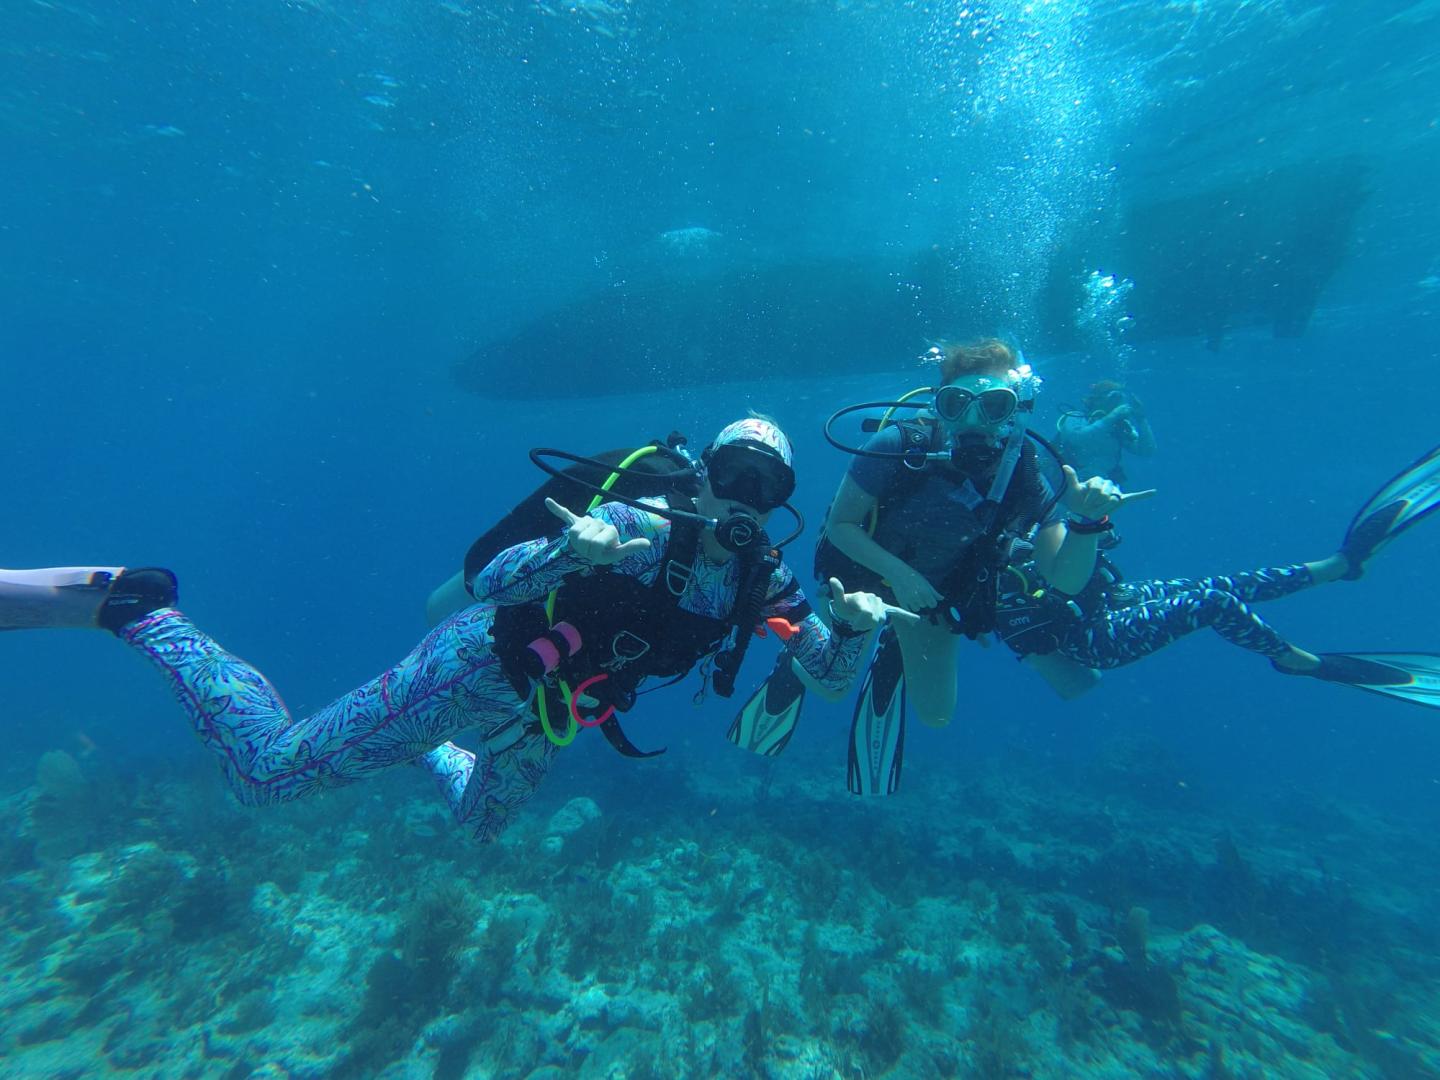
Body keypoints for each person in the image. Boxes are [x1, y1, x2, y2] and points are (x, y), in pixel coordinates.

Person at [0, 419, 913, 841]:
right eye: (733, 475)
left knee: (480, 826)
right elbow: (497, 580)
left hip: (551, 715)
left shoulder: (766, 580)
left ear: (783, 502)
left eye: (768, 487)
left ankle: (418, 752)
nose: (745, 499)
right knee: (266, 777)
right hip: (474, 669)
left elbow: (829, 675)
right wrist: (577, 553)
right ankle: (143, 611)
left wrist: (860, 627)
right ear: (704, 473)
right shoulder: (638, 528)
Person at [728, 340, 1151, 793]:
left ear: (1015, 409)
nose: (973, 422)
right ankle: (796, 665)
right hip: (858, 580)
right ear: (939, 406)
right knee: (832, 687)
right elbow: (841, 526)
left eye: (992, 406)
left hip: (932, 595)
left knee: (937, 715)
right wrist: (902, 577)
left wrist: (1086, 523)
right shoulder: (901, 443)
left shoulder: (1025, 469)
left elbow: (1062, 578)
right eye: (957, 405)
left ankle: (894, 650)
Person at [993, 441, 1440, 707]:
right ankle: (1298, 661)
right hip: (1088, 639)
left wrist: (1094, 518)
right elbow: (1054, 653)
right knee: (1211, 604)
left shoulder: (1030, 515)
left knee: (1218, 585)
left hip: (1113, 600)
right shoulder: (993, 564)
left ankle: (1336, 567)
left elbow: (1083, 553)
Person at [1055, 380, 1156, 485]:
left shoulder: (1119, 427)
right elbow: (1077, 438)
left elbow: (1145, 450)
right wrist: (1112, 417)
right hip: (1067, 483)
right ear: (1096, 399)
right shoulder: (1076, 417)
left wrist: (1141, 419)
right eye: (1113, 397)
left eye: (1120, 398)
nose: (1116, 403)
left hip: (1104, 486)